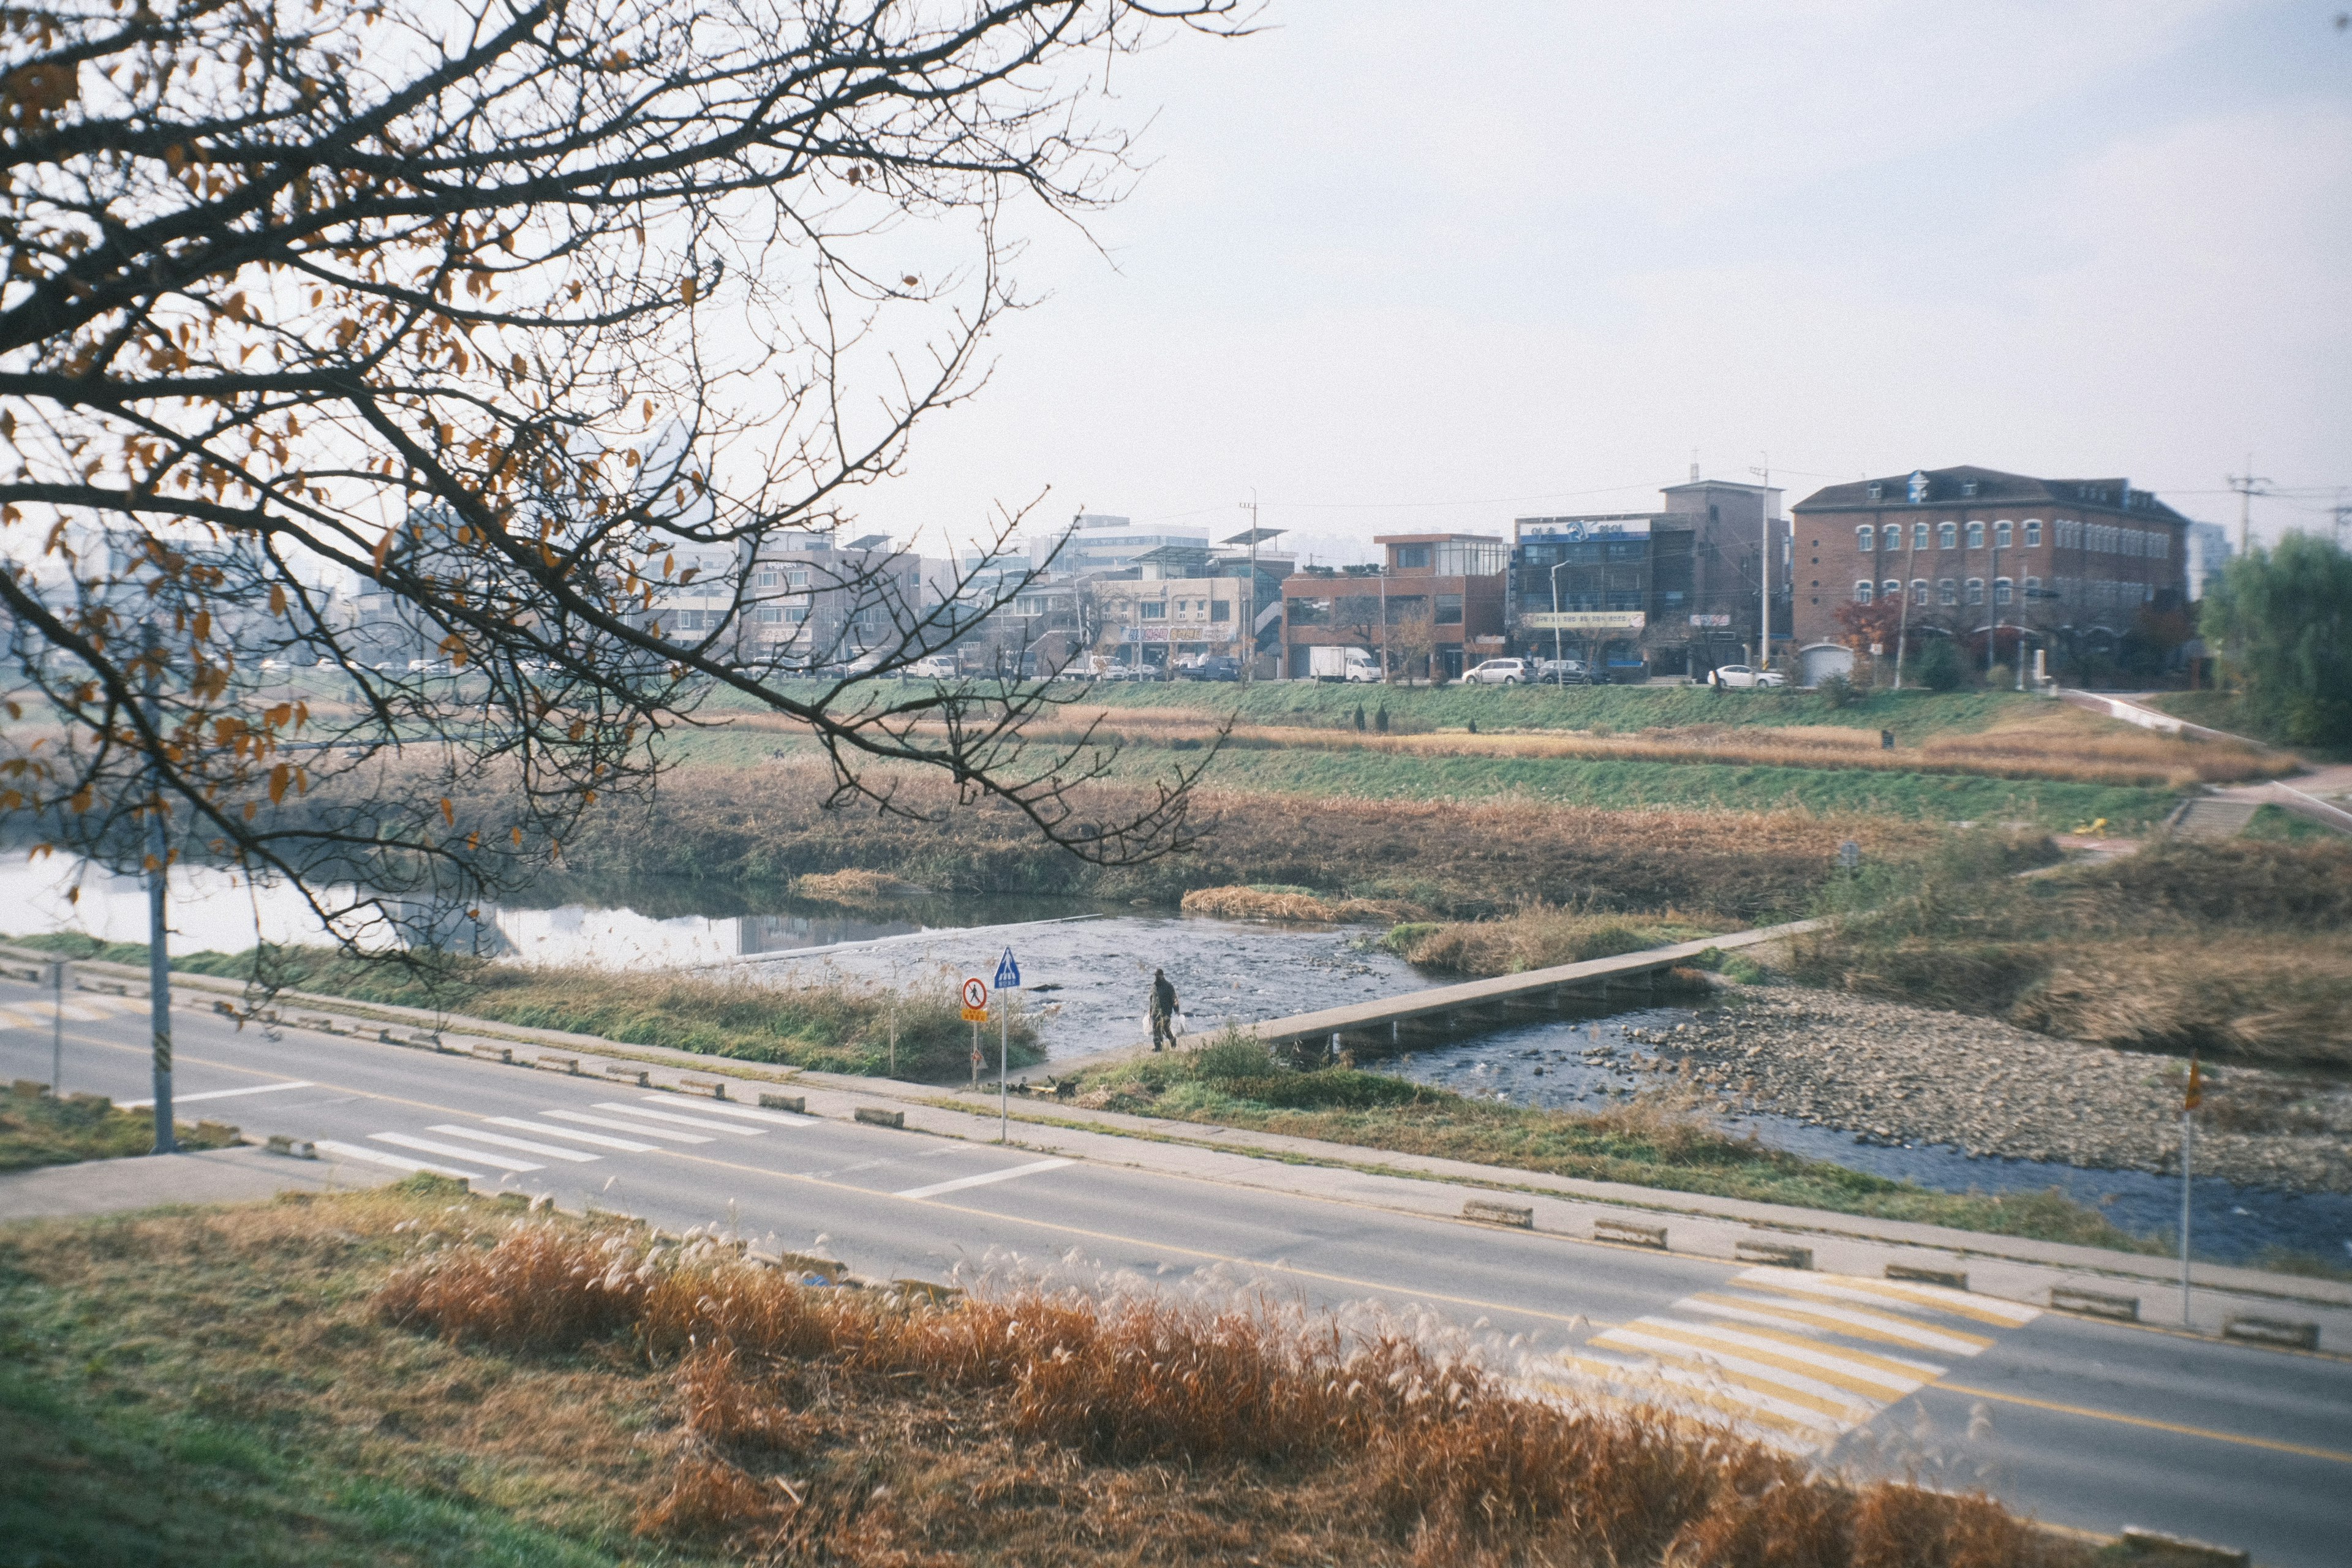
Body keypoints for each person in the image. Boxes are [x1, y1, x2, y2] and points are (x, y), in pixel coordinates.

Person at [1148, 968, 1180, 1051]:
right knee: (1155, 1029)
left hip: (1165, 1011)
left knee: (1165, 1029)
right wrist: (1150, 1011)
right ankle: (1158, 1047)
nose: (1156, 977)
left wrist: (1176, 1009)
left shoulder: (1168, 986)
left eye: (1157, 975)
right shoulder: (1153, 986)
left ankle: (1172, 1039)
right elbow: (1152, 999)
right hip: (1155, 1012)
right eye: (1155, 975)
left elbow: (1174, 998)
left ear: (1162, 976)